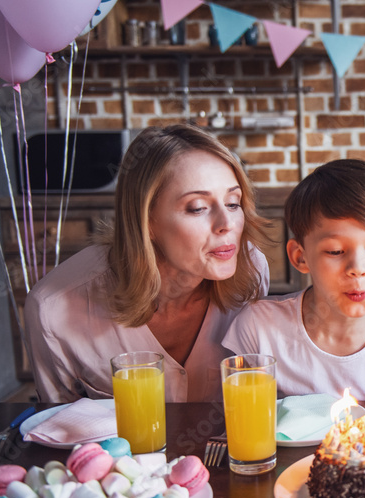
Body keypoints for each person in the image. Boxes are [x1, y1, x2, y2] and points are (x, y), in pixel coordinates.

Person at [24, 124, 271, 403]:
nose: (227, 225)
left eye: (233, 203)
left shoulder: (252, 271)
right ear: (147, 220)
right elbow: (60, 429)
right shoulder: (53, 309)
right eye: (198, 208)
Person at [222, 159, 365, 400]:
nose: (357, 269)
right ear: (300, 257)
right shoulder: (258, 329)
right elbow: (244, 418)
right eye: (335, 252)